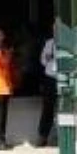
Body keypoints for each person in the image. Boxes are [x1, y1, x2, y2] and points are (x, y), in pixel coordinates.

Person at [34, 19, 58, 147]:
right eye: (55, 29)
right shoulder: (49, 43)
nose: (56, 31)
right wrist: (46, 58)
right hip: (50, 78)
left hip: (63, 78)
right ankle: (42, 136)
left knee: (63, 109)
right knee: (47, 109)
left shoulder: (68, 44)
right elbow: (42, 60)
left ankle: (60, 137)